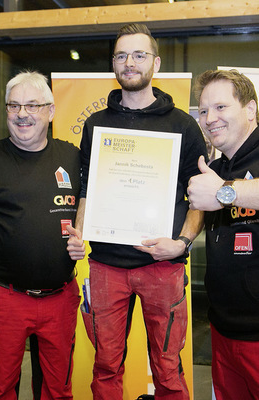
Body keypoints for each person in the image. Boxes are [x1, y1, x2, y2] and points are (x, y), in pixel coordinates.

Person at [67, 23, 207, 400]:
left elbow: (200, 195)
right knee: (106, 365)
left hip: (162, 265)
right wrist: (79, 233)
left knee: (167, 367)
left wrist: (182, 242)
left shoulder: (183, 125)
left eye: (139, 54)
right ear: (113, 63)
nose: (129, 63)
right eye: (121, 55)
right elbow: (86, 190)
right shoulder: (97, 125)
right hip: (106, 266)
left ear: (155, 62)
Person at [0, 71, 82, 400]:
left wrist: (81, 231)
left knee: (58, 389)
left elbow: (89, 197)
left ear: (51, 112)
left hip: (60, 299)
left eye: (33, 105)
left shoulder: (72, 156)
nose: (22, 113)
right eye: (14, 105)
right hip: (2, 300)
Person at [187, 69, 259, 400]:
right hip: (222, 330)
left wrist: (225, 193)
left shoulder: (222, 182)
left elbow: (225, 195)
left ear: (250, 109)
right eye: (203, 110)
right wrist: (180, 241)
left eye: (220, 107)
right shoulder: (216, 169)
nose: (209, 118)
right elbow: (200, 210)